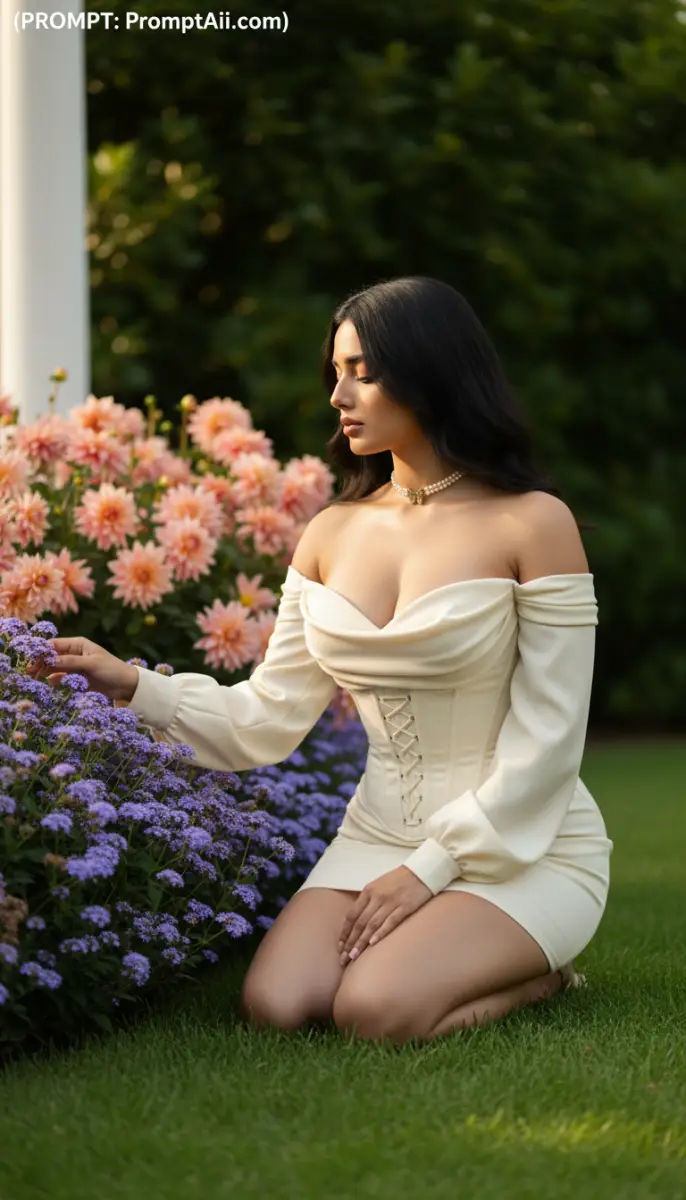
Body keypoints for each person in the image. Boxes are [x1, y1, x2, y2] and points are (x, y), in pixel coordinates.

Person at [35, 277, 613, 1044]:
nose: (339, 394)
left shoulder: (533, 523)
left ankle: (542, 973)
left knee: (373, 1012)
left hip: (523, 840)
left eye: (363, 372)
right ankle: (449, 950)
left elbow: (550, 741)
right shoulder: (330, 533)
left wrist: (428, 873)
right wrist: (133, 684)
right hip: (377, 834)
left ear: (433, 371)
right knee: (277, 1004)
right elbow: (268, 717)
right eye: (335, 372)